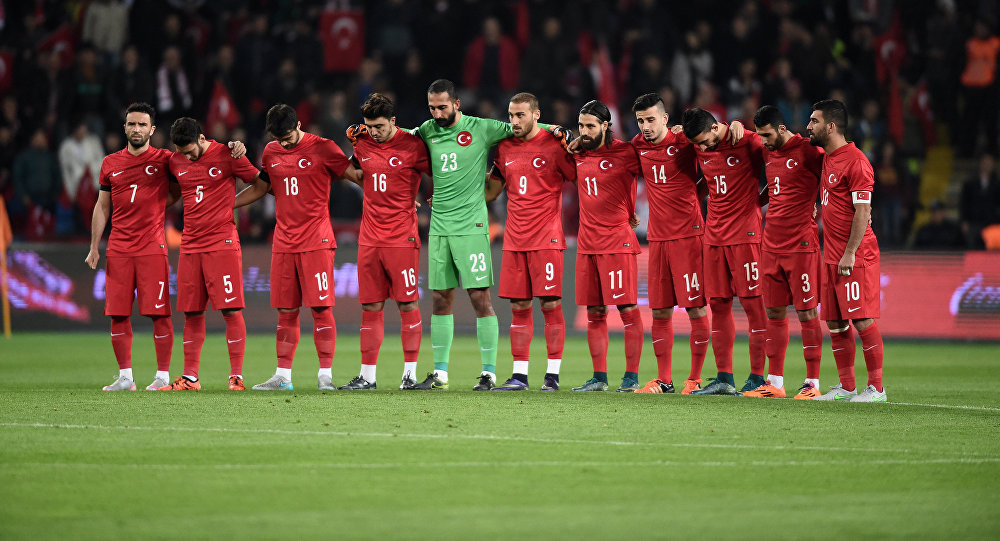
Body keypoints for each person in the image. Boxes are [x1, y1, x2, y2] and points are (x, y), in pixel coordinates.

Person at [86, 102, 245, 391]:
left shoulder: (167, 160)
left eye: (142, 124)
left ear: (152, 130)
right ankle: (125, 378)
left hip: (152, 246)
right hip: (119, 247)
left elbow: (186, 181)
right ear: (124, 127)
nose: (136, 129)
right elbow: (102, 205)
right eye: (132, 124)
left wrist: (235, 146)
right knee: (118, 313)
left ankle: (162, 375)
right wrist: (94, 246)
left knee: (160, 313)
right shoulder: (110, 163)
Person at [235, 104, 361, 391]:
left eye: (289, 137)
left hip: (316, 241)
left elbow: (356, 176)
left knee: (321, 308)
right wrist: (226, 204)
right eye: (279, 139)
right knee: (286, 311)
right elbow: (262, 187)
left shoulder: (324, 148)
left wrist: (397, 198)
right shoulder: (271, 152)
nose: (285, 143)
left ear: (300, 125)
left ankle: (325, 375)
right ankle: (282, 376)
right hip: (283, 243)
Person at [408, 79, 513, 391]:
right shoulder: (427, 130)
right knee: (440, 298)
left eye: (442, 107)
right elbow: (398, 139)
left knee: (479, 297)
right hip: (440, 226)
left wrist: (556, 130)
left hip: (471, 226)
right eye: (432, 108)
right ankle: (440, 374)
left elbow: (521, 128)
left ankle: (489, 373)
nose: (437, 113)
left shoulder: (481, 127)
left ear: (457, 104)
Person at [159, 117, 263, 391]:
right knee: (192, 312)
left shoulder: (228, 155)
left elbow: (261, 184)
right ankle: (190, 378)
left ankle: (236, 376)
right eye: (182, 152)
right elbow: (171, 191)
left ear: (202, 139)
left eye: (190, 151)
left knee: (231, 309)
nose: (187, 157)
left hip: (221, 243)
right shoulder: (175, 161)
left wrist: (231, 205)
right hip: (190, 245)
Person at [485, 92, 576, 391]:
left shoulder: (555, 145)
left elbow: (580, 178)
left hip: (546, 238)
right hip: (514, 239)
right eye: (511, 115)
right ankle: (519, 376)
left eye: (520, 115)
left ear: (537, 115)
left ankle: (552, 376)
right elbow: (491, 192)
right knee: (519, 306)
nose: (514, 121)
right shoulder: (504, 147)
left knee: (550, 303)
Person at [342, 93, 430, 390]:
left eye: (379, 126)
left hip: (401, 238)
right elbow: (352, 169)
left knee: (408, 304)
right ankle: (367, 376)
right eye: (369, 126)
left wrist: (428, 199)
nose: (374, 132)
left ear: (393, 121)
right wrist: (372, 185)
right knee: (370, 307)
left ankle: (410, 376)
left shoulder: (414, 145)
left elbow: (441, 174)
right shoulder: (361, 141)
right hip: (369, 239)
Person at [629, 93, 712, 395]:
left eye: (651, 119)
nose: (646, 126)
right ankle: (664, 380)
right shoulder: (638, 144)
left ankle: (695, 379)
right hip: (657, 239)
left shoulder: (685, 141)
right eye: (641, 120)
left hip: (688, 237)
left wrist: (694, 195)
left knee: (695, 309)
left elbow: (715, 156)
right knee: (660, 311)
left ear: (665, 118)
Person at [682, 107, 768, 395]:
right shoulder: (700, 145)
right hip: (714, 235)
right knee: (718, 304)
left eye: (705, 141)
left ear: (715, 127)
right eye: (697, 145)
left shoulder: (748, 141)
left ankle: (757, 377)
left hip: (745, 235)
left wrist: (757, 201)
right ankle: (724, 378)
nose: (703, 148)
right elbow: (707, 181)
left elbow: (780, 165)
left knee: (753, 304)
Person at [742, 105, 825, 400]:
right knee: (774, 313)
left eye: (767, 135)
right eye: (760, 136)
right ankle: (775, 382)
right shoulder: (769, 152)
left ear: (781, 128)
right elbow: (776, 186)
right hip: (771, 245)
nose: (763, 142)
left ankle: (812, 383)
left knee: (806, 313)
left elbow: (834, 179)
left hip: (801, 246)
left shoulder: (810, 151)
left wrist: (821, 205)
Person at [806, 99, 886, 403]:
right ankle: (847, 386)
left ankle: (876, 388)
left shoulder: (857, 161)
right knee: (836, 322)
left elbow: (863, 211)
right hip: (831, 254)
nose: (808, 126)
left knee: (862, 320)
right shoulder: (827, 157)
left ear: (830, 126)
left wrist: (850, 252)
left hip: (856, 255)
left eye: (814, 121)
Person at [570, 100, 645, 393]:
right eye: (581, 126)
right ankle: (599, 378)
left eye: (590, 126)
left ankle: (631, 377)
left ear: (605, 125)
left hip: (617, 242)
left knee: (627, 309)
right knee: (595, 311)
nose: (585, 131)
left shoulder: (626, 152)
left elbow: (656, 160)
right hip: (587, 244)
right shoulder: (576, 152)